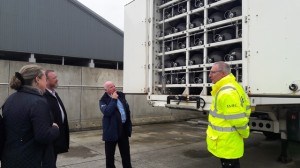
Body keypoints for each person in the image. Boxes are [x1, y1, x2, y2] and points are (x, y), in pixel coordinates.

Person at [1, 64, 59, 168]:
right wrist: (55, 128)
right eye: (45, 79)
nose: (46, 82)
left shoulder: (10, 99)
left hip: (10, 159)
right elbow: (43, 136)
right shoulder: (38, 102)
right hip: (32, 160)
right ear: (37, 79)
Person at [206, 61, 251, 168]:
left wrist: (245, 133)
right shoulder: (232, 86)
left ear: (222, 74)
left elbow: (238, 120)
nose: (209, 75)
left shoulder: (227, 93)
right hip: (227, 141)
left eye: (213, 72)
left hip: (228, 143)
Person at [99, 81, 132, 168]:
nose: (114, 88)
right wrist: (113, 99)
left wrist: (128, 126)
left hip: (123, 130)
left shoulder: (121, 96)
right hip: (111, 131)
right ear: (106, 90)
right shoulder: (103, 100)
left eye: (114, 86)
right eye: (111, 87)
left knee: (126, 155)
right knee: (110, 157)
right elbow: (107, 112)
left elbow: (127, 111)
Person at [44, 70, 70, 166]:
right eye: (54, 78)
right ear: (46, 80)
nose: (57, 80)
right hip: (51, 138)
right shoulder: (43, 96)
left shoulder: (54, 93)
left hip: (57, 136)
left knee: (53, 160)